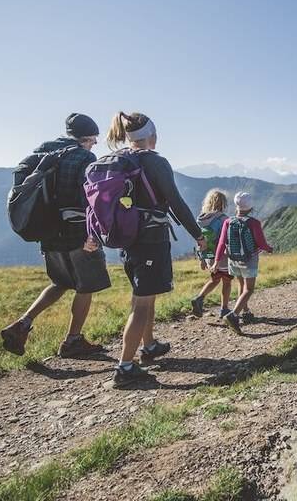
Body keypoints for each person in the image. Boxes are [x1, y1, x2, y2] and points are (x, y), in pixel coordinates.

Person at [104, 111, 206, 388]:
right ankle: (125, 367)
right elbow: (175, 202)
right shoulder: (155, 162)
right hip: (150, 239)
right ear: (151, 134)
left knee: (143, 295)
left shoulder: (119, 161)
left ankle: (149, 345)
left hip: (126, 239)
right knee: (142, 302)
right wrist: (198, 234)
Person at [0, 113, 111, 358]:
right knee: (87, 285)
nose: (94, 144)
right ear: (86, 138)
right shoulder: (83, 157)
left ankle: (22, 324)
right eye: (93, 140)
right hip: (77, 232)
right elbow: (89, 199)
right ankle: (73, 340)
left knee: (60, 282)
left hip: (47, 232)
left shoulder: (42, 152)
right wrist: (94, 233)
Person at [211, 192, 273, 335]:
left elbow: (221, 243)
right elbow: (261, 243)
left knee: (241, 285)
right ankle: (233, 315)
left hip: (233, 259)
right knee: (249, 289)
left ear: (236, 205)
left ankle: (245, 312)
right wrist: (269, 249)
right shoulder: (254, 223)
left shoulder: (228, 221)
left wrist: (216, 262)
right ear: (251, 207)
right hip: (248, 260)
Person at [190, 189, 233, 317]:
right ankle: (224, 309)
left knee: (214, 279)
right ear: (223, 203)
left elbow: (199, 241)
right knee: (226, 281)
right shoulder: (224, 219)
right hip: (223, 257)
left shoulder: (201, 219)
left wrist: (201, 259)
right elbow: (228, 239)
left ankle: (199, 298)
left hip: (209, 257)